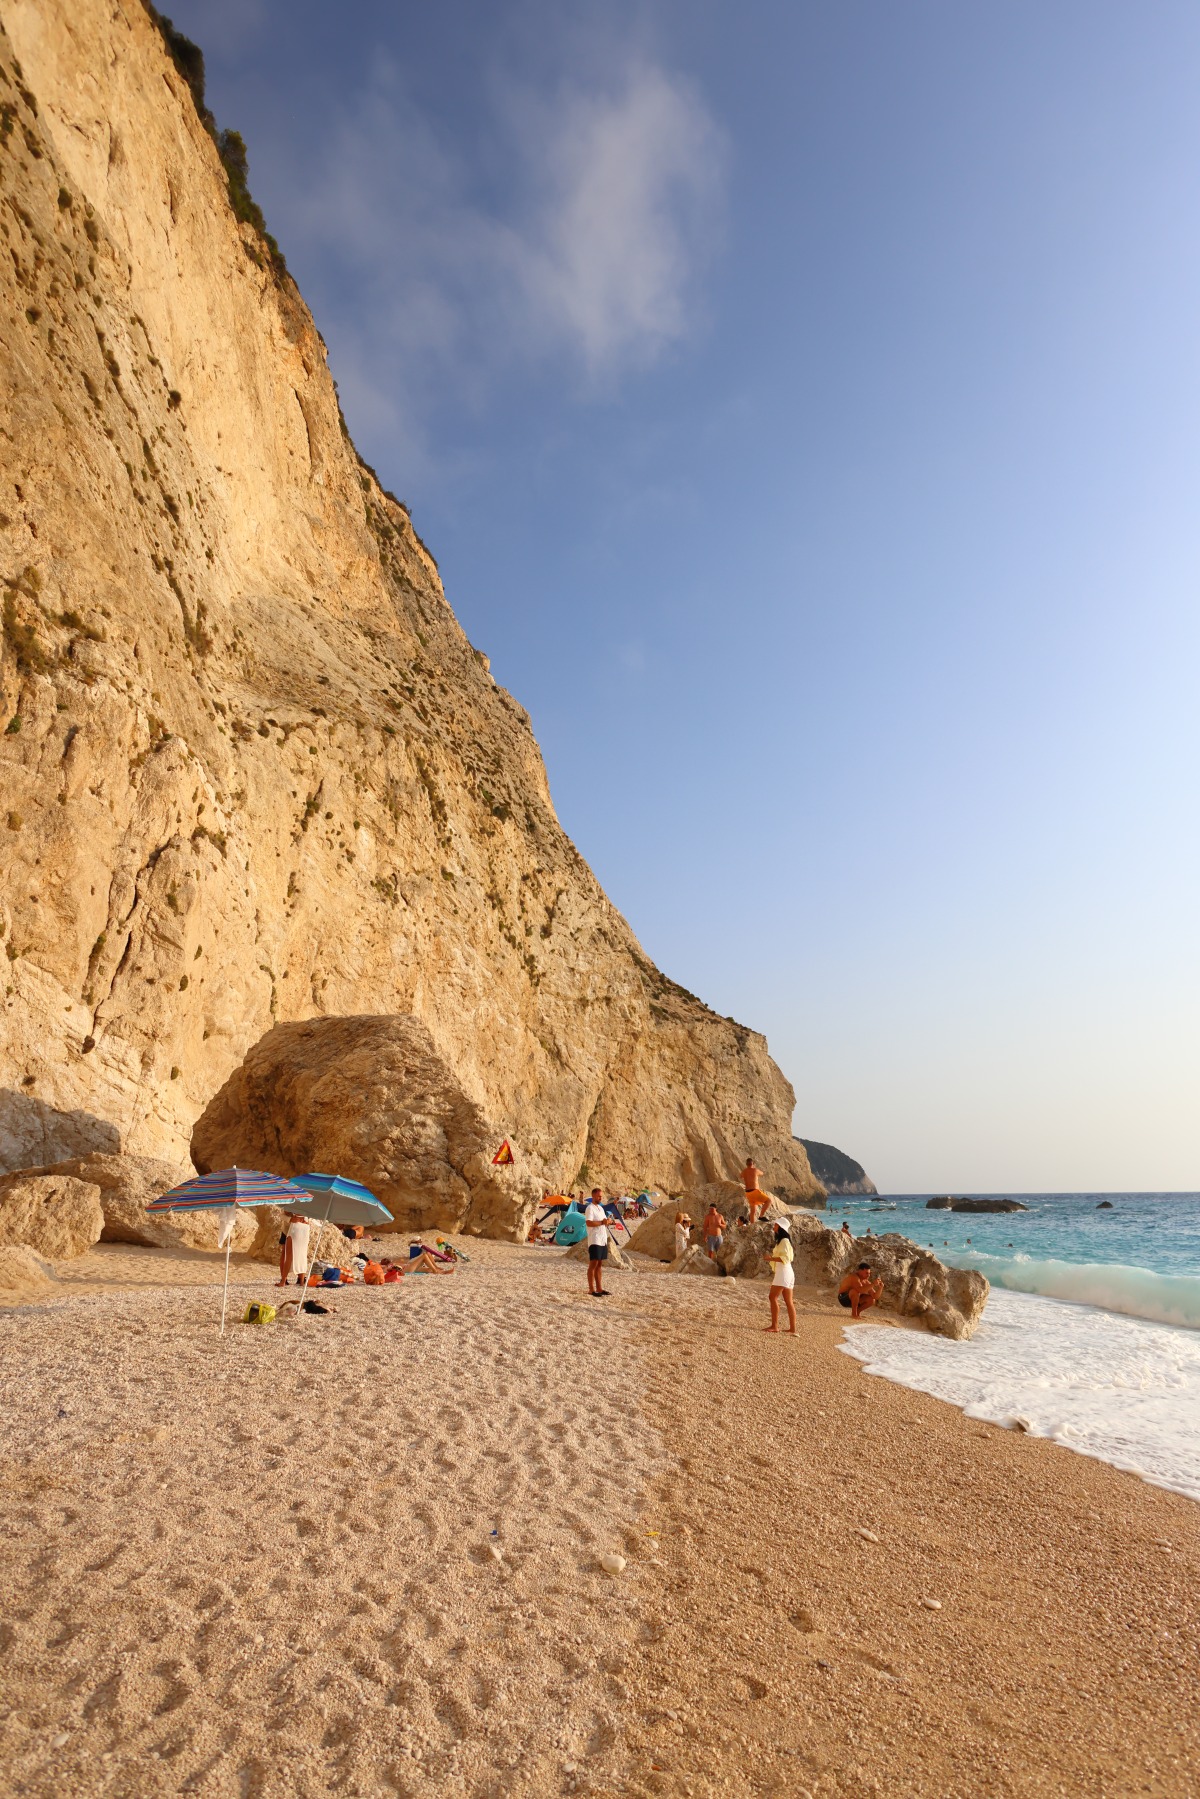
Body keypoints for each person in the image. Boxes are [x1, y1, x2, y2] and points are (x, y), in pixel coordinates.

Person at [764, 1220, 796, 1333]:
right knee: (788, 1301)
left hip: (784, 1272)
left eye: (776, 1225)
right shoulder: (783, 1241)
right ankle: (792, 1328)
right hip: (786, 1272)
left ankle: (775, 1326)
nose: (774, 1226)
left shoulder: (784, 1241)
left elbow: (785, 1258)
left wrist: (770, 1258)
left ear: (780, 1227)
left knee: (772, 1297)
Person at [584, 1189, 610, 1297]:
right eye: (599, 1196)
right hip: (594, 1239)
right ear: (593, 1196)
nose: (600, 1198)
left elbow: (604, 1221)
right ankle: (591, 1289)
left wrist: (607, 1222)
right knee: (593, 1264)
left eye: (601, 1196)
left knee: (599, 1264)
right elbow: (589, 1223)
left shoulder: (601, 1208)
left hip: (602, 1239)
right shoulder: (590, 1208)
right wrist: (602, 1222)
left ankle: (599, 1288)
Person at [277, 1213, 311, 1287]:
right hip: (296, 1228)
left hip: (297, 1228)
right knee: (300, 1254)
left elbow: (282, 1214)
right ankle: (298, 1281)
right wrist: (290, 1219)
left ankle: (285, 1280)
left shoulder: (294, 1206)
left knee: (292, 1255)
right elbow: (282, 1215)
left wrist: (305, 1219)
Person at [740, 1157, 769, 1225]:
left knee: (753, 1211)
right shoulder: (755, 1170)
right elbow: (762, 1173)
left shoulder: (744, 1171)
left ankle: (752, 1225)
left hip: (748, 1193)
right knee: (768, 1201)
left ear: (746, 1164)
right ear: (753, 1163)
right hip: (754, 1191)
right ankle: (761, 1216)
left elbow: (740, 1176)